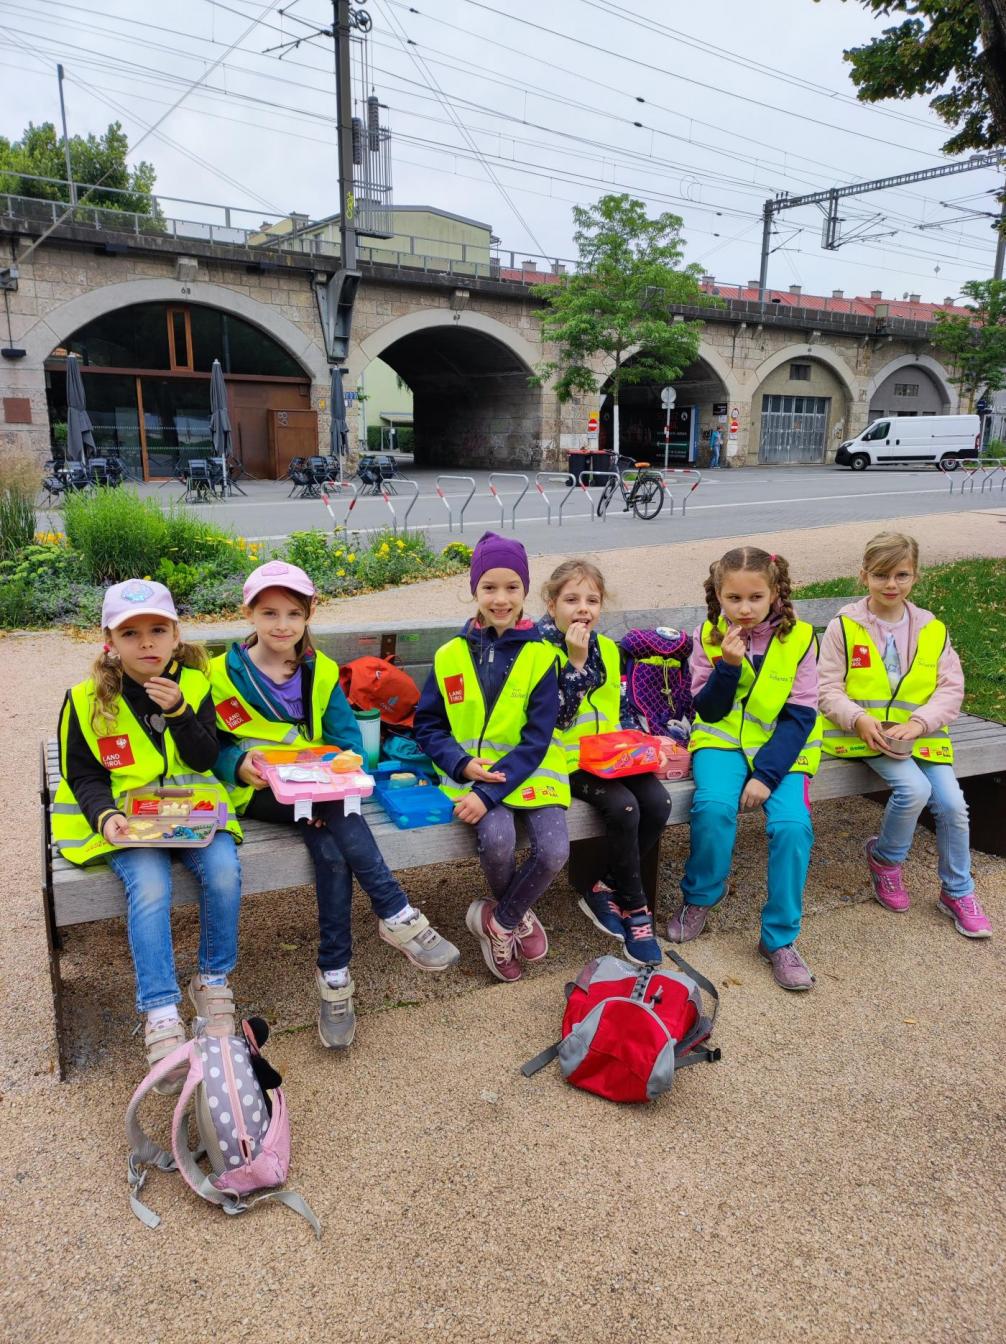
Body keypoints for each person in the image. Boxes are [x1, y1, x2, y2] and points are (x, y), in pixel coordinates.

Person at [212, 561, 459, 1052]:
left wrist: (334, 764)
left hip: (319, 794)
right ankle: (397, 914)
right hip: (260, 793)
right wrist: (238, 764)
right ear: (249, 613)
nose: (282, 625)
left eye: (293, 613)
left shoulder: (320, 671)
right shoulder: (220, 674)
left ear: (309, 615)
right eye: (270, 613)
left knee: (330, 848)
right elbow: (210, 744)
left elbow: (348, 742)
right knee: (340, 817)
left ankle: (336, 976)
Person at [53, 580, 243, 1089]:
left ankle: (213, 979)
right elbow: (83, 774)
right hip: (129, 824)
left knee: (224, 872)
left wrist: (181, 712)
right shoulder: (87, 699)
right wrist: (104, 816)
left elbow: (209, 759)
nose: (146, 643)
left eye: (158, 630)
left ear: (176, 635)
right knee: (151, 887)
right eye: (130, 633)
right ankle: (160, 1010)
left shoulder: (196, 686)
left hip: (195, 814)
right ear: (109, 641)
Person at [817, 531, 991, 938]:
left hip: (922, 735)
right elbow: (827, 689)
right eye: (881, 575)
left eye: (901, 575)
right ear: (864, 576)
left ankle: (957, 890)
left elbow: (951, 688)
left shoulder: (932, 628)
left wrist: (921, 723)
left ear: (915, 577)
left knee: (953, 806)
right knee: (914, 789)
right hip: (866, 735)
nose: (890, 584)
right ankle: (885, 860)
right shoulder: (844, 627)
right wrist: (858, 719)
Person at [414, 533, 569, 982]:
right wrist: (461, 766)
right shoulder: (449, 655)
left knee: (554, 850)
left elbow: (537, 739)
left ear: (525, 591)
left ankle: (496, 921)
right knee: (498, 842)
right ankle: (515, 917)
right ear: (474, 590)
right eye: (489, 587)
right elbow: (428, 726)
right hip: (471, 775)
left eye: (511, 588)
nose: (500, 599)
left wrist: (485, 790)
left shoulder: (543, 657)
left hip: (532, 772)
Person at [667, 547, 821, 991]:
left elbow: (800, 718)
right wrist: (728, 666)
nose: (745, 608)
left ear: (776, 593)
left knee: (792, 826)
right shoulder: (708, 636)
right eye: (734, 598)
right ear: (718, 594)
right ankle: (700, 898)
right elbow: (709, 711)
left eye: (756, 597)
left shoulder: (800, 638)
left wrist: (766, 775)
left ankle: (779, 939)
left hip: (783, 752)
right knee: (714, 807)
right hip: (722, 740)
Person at [537, 558, 668, 966]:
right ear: (551, 603)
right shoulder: (536, 650)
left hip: (611, 758)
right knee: (624, 807)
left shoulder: (609, 649)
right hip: (564, 759)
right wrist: (575, 664)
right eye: (571, 599)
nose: (583, 609)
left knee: (658, 802)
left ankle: (603, 887)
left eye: (591, 600)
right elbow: (553, 720)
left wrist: (645, 742)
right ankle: (637, 910)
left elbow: (622, 711)